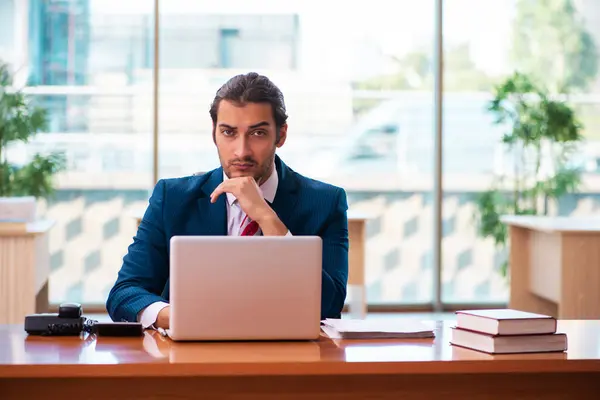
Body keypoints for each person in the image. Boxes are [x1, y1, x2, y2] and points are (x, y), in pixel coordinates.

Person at [106, 72, 349, 329]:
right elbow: (125, 293)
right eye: (228, 132)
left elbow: (329, 306)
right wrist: (180, 318)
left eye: (257, 133)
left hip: (287, 358)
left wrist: (267, 218)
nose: (241, 151)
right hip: (190, 356)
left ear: (281, 135)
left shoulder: (326, 202)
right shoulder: (172, 197)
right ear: (214, 134)